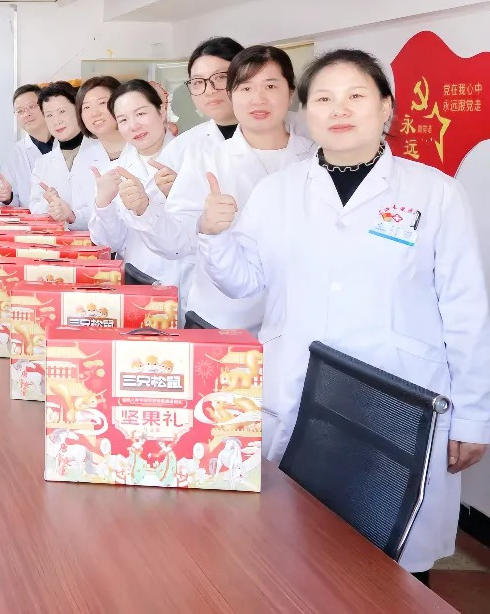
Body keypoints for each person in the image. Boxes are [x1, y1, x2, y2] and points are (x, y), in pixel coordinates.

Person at [198, 48, 490, 577]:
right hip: (297, 389)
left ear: (386, 107)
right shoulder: (277, 191)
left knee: (391, 565)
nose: (339, 110)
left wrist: (473, 414)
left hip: (397, 398)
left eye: (356, 96)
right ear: (307, 111)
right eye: (324, 99)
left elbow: (467, 310)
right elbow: (244, 283)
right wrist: (214, 237)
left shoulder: (435, 193)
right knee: (294, 556)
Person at [125, 46, 316, 329]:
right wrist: (196, 224)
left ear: (290, 92)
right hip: (224, 319)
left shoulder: (316, 157)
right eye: (246, 88)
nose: (258, 98)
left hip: (299, 322)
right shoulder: (205, 160)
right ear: (232, 95)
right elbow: (178, 243)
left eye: (270, 86)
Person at [87, 80, 186, 288]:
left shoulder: (191, 158)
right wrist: (103, 204)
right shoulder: (114, 172)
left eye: (140, 113)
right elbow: (109, 243)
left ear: (161, 111)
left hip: (185, 280)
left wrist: (179, 193)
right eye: (123, 120)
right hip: (137, 282)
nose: (133, 126)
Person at [150, 37, 243, 198]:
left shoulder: (285, 132)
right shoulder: (180, 148)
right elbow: (157, 208)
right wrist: (175, 195)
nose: (209, 90)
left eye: (221, 77)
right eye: (198, 81)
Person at [64, 76, 126, 230]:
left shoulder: (142, 147)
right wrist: (72, 215)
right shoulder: (84, 158)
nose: (94, 113)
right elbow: (88, 214)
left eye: (102, 103)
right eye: (86, 107)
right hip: (104, 241)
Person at [27, 82, 88, 226]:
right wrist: (49, 203)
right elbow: (34, 207)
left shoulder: (103, 152)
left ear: (78, 110)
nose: (56, 121)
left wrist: (72, 215)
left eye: (62, 111)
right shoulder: (42, 164)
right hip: (57, 238)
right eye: (49, 115)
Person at [0, 84, 54, 208]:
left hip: (70, 219)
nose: (26, 114)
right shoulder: (13, 155)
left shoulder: (66, 144)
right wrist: (8, 198)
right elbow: (7, 204)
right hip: (32, 219)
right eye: (20, 111)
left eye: (31, 107)